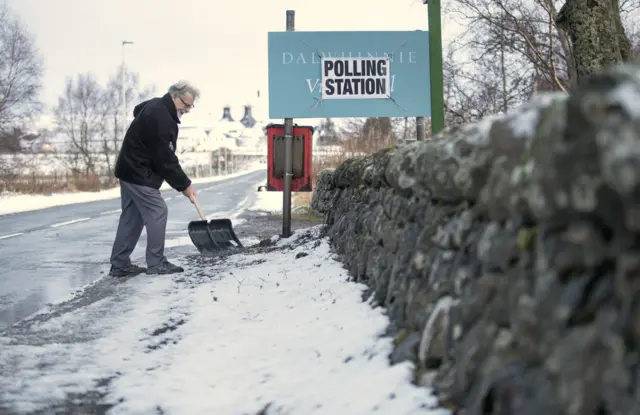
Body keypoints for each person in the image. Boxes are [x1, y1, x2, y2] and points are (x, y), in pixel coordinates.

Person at [108, 81, 200, 277]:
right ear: (174, 96)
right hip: (139, 172)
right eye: (185, 104)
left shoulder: (155, 105)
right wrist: (185, 185)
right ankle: (156, 262)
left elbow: (137, 111)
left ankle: (120, 264)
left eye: (191, 105)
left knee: (132, 218)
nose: (187, 109)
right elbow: (165, 159)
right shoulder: (162, 118)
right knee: (158, 211)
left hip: (128, 169)